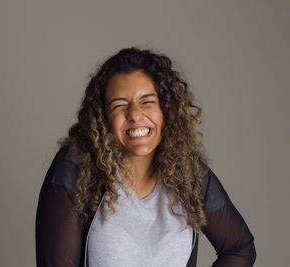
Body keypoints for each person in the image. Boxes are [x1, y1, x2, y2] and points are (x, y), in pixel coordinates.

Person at [35, 47, 256, 267]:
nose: (134, 114)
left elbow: (240, 249)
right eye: (119, 105)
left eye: (147, 101)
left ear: (166, 110)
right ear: (104, 118)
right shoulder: (76, 169)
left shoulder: (188, 174)